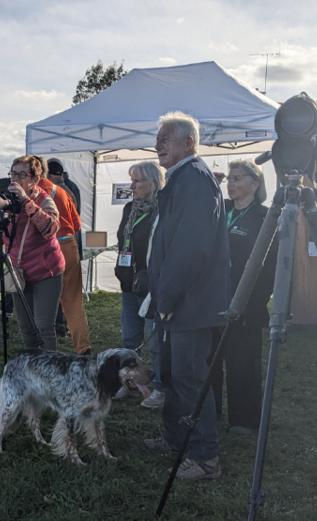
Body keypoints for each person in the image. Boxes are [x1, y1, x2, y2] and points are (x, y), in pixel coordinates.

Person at [143, 111, 230, 481]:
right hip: (178, 301)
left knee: (191, 378)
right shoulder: (180, 179)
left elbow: (190, 248)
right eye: (157, 137)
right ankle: (177, 438)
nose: (158, 143)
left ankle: (205, 458)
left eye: (166, 137)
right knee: (174, 375)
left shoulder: (193, 178)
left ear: (188, 143)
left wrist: (167, 298)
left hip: (189, 303)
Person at [0, 155, 64, 350]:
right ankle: (32, 369)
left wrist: (26, 201)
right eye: (13, 173)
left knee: (43, 326)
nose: (15, 179)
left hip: (47, 273)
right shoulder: (6, 203)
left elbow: (50, 229)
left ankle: (49, 373)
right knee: (26, 327)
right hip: (19, 274)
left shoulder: (44, 200)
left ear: (34, 180)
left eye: (22, 174)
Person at [209, 160, 277, 435]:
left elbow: (269, 268)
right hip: (212, 299)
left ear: (256, 183)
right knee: (210, 361)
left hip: (245, 304)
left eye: (238, 178)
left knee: (243, 363)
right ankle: (209, 412)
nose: (231, 183)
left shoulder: (265, 217)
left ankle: (244, 419)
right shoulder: (220, 210)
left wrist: (252, 304)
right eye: (229, 178)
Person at [113, 162, 165, 407]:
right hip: (128, 283)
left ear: (153, 184)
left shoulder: (162, 211)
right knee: (130, 340)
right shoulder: (129, 209)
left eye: (137, 181)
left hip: (149, 285)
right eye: (131, 180)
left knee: (155, 342)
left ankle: (161, 389)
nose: (131, 186)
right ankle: (130, 383)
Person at [37, 160, 91, 354]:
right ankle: (84, 349)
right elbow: (77, 225)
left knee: (42, 304)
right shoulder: (63, 191)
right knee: (74, 302)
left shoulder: (32, 194)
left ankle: (45, 351)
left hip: (46, 247)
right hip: (68, 245)